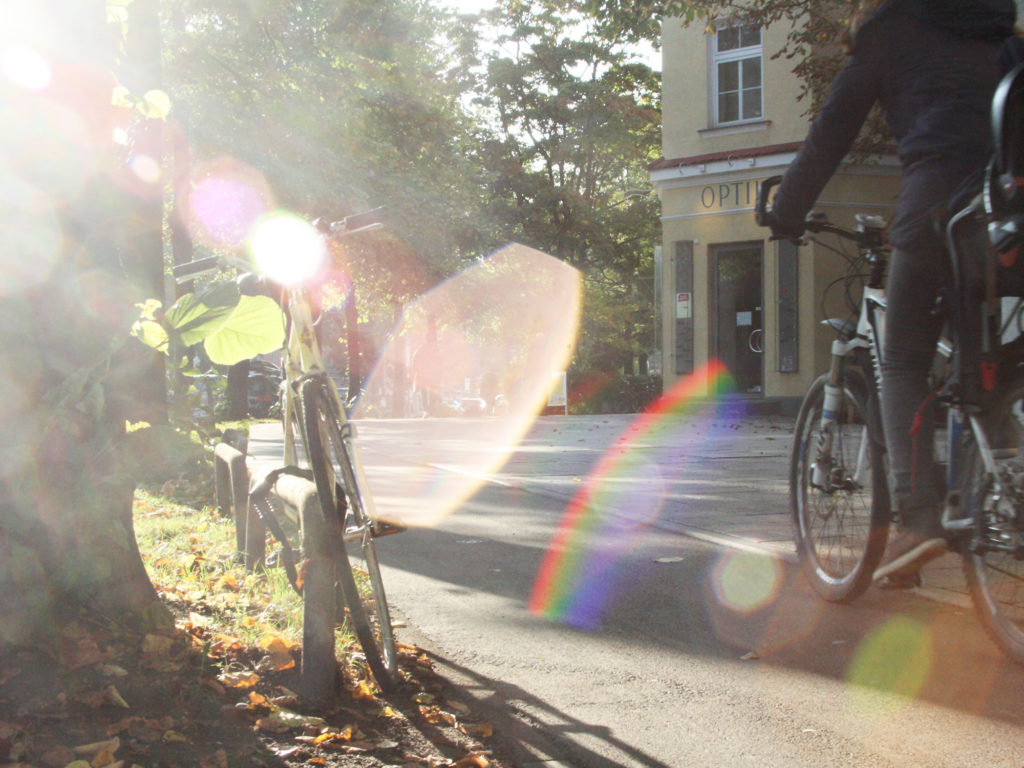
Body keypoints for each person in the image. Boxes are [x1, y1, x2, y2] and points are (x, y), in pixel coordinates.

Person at [763, 0, 1017, 583]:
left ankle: (919, 522)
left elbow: (834, 129)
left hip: (938, 207)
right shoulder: (1006, 37)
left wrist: (788, 209)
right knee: (986, 364)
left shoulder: (889, 30)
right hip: (1006, 216)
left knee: (902, 360)